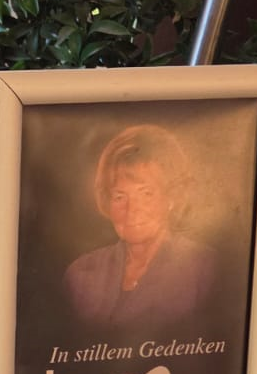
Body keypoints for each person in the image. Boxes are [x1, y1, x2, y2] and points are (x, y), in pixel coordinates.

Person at [62, 124, 215, 329]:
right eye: (119, 196)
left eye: (146, 194)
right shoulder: (80, 274)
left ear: (171, 197)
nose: (131, 209)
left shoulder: (204, 269)